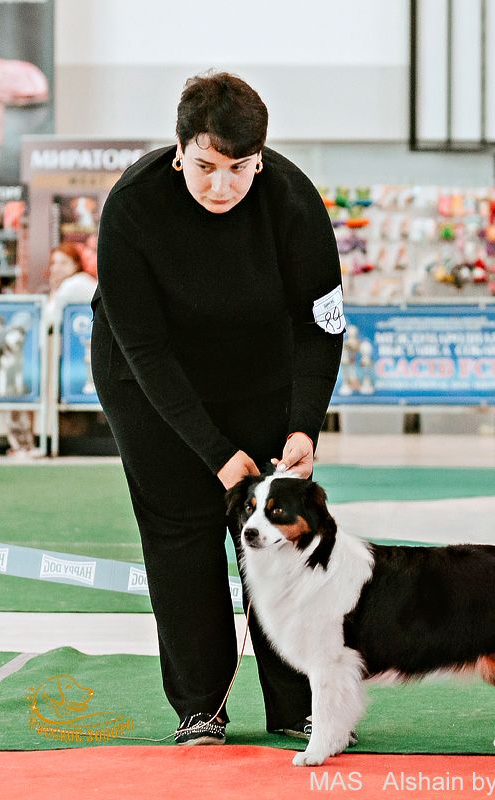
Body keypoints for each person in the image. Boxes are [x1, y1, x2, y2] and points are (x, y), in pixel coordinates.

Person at [91, 72, 344, 746]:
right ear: (179, 151)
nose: (221, 186)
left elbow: (321, 325)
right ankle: (200, 706)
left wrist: (302, 425)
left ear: (260, 158)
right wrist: (213, 452)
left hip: (258, 372)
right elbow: (143, 346)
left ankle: (298, 705)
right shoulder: (133, 207)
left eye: (239, 169)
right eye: (204, 167)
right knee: (181, 529)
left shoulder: (292, 202)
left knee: (282, 538)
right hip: (147, 379)